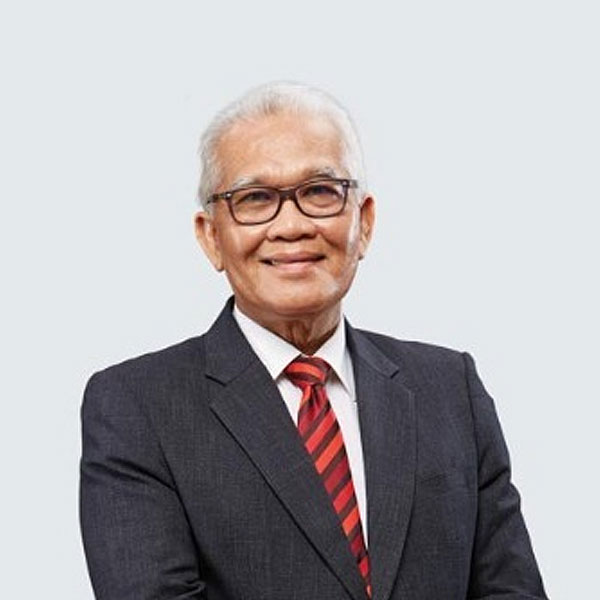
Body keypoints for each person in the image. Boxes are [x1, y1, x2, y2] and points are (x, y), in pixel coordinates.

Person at [80, 81, 547, 600]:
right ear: (211, 236)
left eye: (320, 192)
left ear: (364, 222)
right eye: (255, 198)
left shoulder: (450, 390)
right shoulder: (136, 407)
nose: (292, 225)